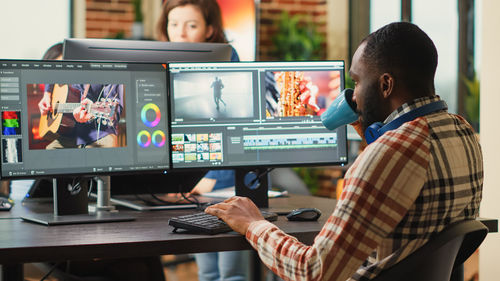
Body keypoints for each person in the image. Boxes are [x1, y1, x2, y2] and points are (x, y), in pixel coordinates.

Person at [205, 22, 483, 281]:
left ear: (385, 85)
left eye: (358, 81)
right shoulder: (461, 131)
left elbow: (312, 270)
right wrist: (373, 135)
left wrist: (253, 224)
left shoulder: (392, 152)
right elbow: (410, 198)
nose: (354, 94)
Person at [156, 1, 246, 280]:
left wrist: (212, 176)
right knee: (206, 271)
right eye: (173, 24)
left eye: (191, 25)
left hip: (223, 182)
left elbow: (234, 129)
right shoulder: (157, 62)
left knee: (230, 273)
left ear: (209, 30)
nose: (180, 33)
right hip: (188, 182)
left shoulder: (227, 59)